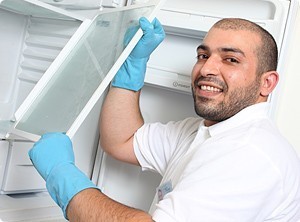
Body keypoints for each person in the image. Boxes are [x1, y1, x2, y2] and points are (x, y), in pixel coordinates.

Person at [28, 16, 300, 221]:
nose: (206, 68)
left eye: (230, 59)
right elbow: (122, 141)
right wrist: (131, 68)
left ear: (267, 83)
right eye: (203, 55)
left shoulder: (249, 153)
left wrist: (62, 177)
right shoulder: (203, 132)